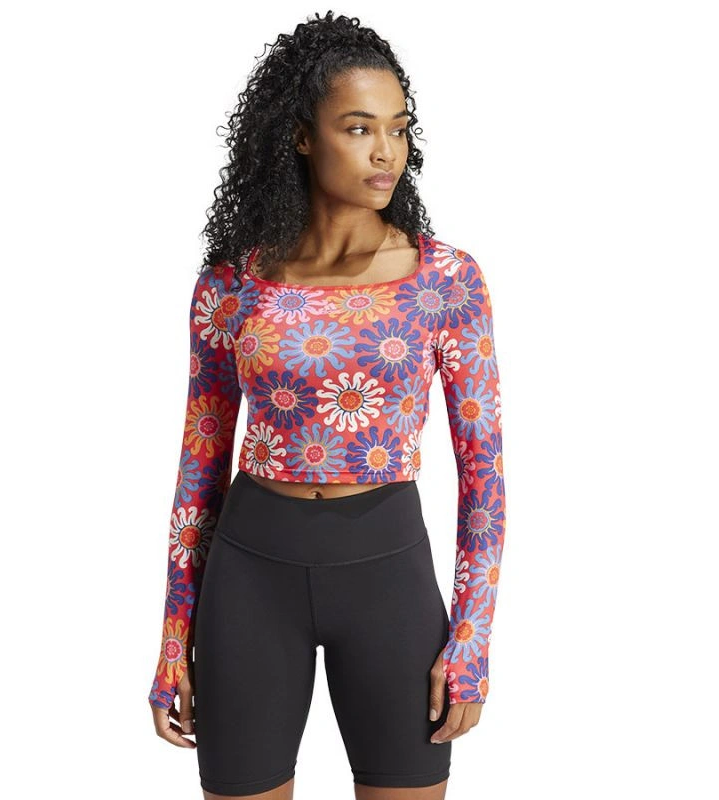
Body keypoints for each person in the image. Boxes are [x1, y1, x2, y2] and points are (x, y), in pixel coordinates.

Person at [148, 11, 506, 799]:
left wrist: (473, 637)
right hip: (250, 580)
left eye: (399, 129)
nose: (386, 152)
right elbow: (201, 462)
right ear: (302, 136)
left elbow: (484, 476)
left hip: (389, 581)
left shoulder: (446, 279)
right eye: (358, 127)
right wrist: (176, 633)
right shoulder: (231, 284)